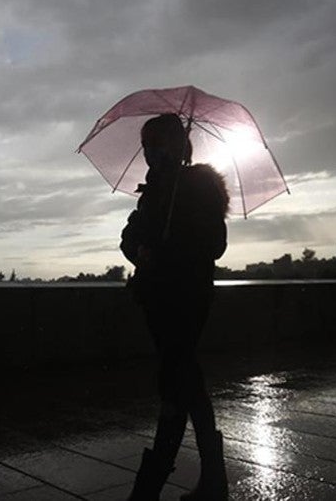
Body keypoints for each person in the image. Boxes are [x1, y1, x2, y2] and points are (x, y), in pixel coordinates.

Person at [121, 113, 229, 501]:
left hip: (186, 297)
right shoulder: (152, 191)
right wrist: (140, 250)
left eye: (156, 143)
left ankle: (147, 489)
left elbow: (214, 244)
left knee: (173, 382)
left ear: (175, 145)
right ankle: (214, 480)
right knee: (188, 383)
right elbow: (129, 237)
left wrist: (167, 248)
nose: (149, 152)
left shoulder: (199, 185)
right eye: (145, 144)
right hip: (155, 297)